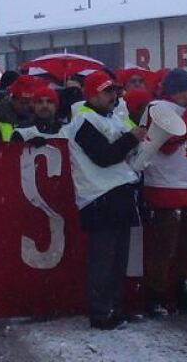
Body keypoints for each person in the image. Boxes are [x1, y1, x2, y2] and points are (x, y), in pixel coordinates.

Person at [68, 71, 146, 330]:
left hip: (119, 191)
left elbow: (126, 150)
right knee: (103, 259)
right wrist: (132, 138)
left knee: (118, 258)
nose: (114, 96)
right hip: (99, 196)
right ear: (91, 94)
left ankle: (115, 306)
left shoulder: (113, 118)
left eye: (115, 91)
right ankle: (101, 312)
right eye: (107, 91)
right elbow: (104, 156)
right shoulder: (82, 121)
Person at [142, 68, 187, 318]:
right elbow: (169, 145)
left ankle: (186, 296)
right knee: (164, 249)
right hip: (165, 187)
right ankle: (155, 298)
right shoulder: (157, 109)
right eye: (184, 91)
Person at [0, 75, 36, 142]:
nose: (26, 106)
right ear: (12, 99)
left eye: (28, 103)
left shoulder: (36, 115)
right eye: (22, 103)